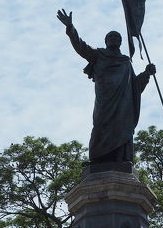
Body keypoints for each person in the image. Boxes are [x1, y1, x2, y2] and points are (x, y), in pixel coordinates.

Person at [57, 9, 156, 163]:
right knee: (100, 126)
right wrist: (71, 28)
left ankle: (121, 159)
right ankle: (97, 159)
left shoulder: (125, 62)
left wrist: (146, 73)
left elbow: (134, 86)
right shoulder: (98, 55)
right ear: (106, 41)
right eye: (110, 36)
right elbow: (81, 47)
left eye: (116, 37)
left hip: (123, 103)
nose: (114, 38)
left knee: (122, 128)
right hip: (105, 100)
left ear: (121, 42)